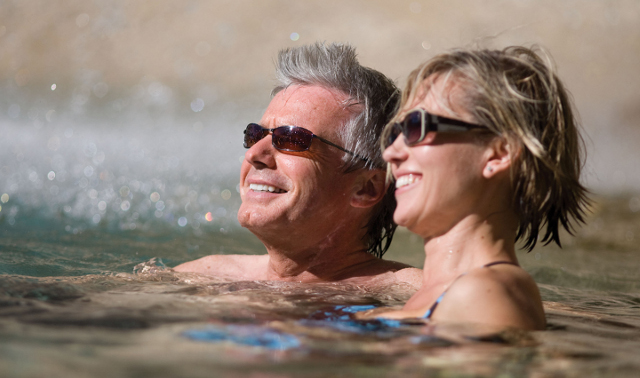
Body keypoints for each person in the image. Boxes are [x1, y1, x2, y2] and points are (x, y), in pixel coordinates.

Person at [371, 46, 589, 330]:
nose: (391, 153)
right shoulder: (450, 295)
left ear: (498, 154)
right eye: (394, 133)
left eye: (417, 126)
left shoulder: (482, 295)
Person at [174, 43, 422, 287]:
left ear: (366, 188)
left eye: (292, 139)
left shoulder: (413, 297)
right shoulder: (199, 279)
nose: (254, 154)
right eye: (255, 135)